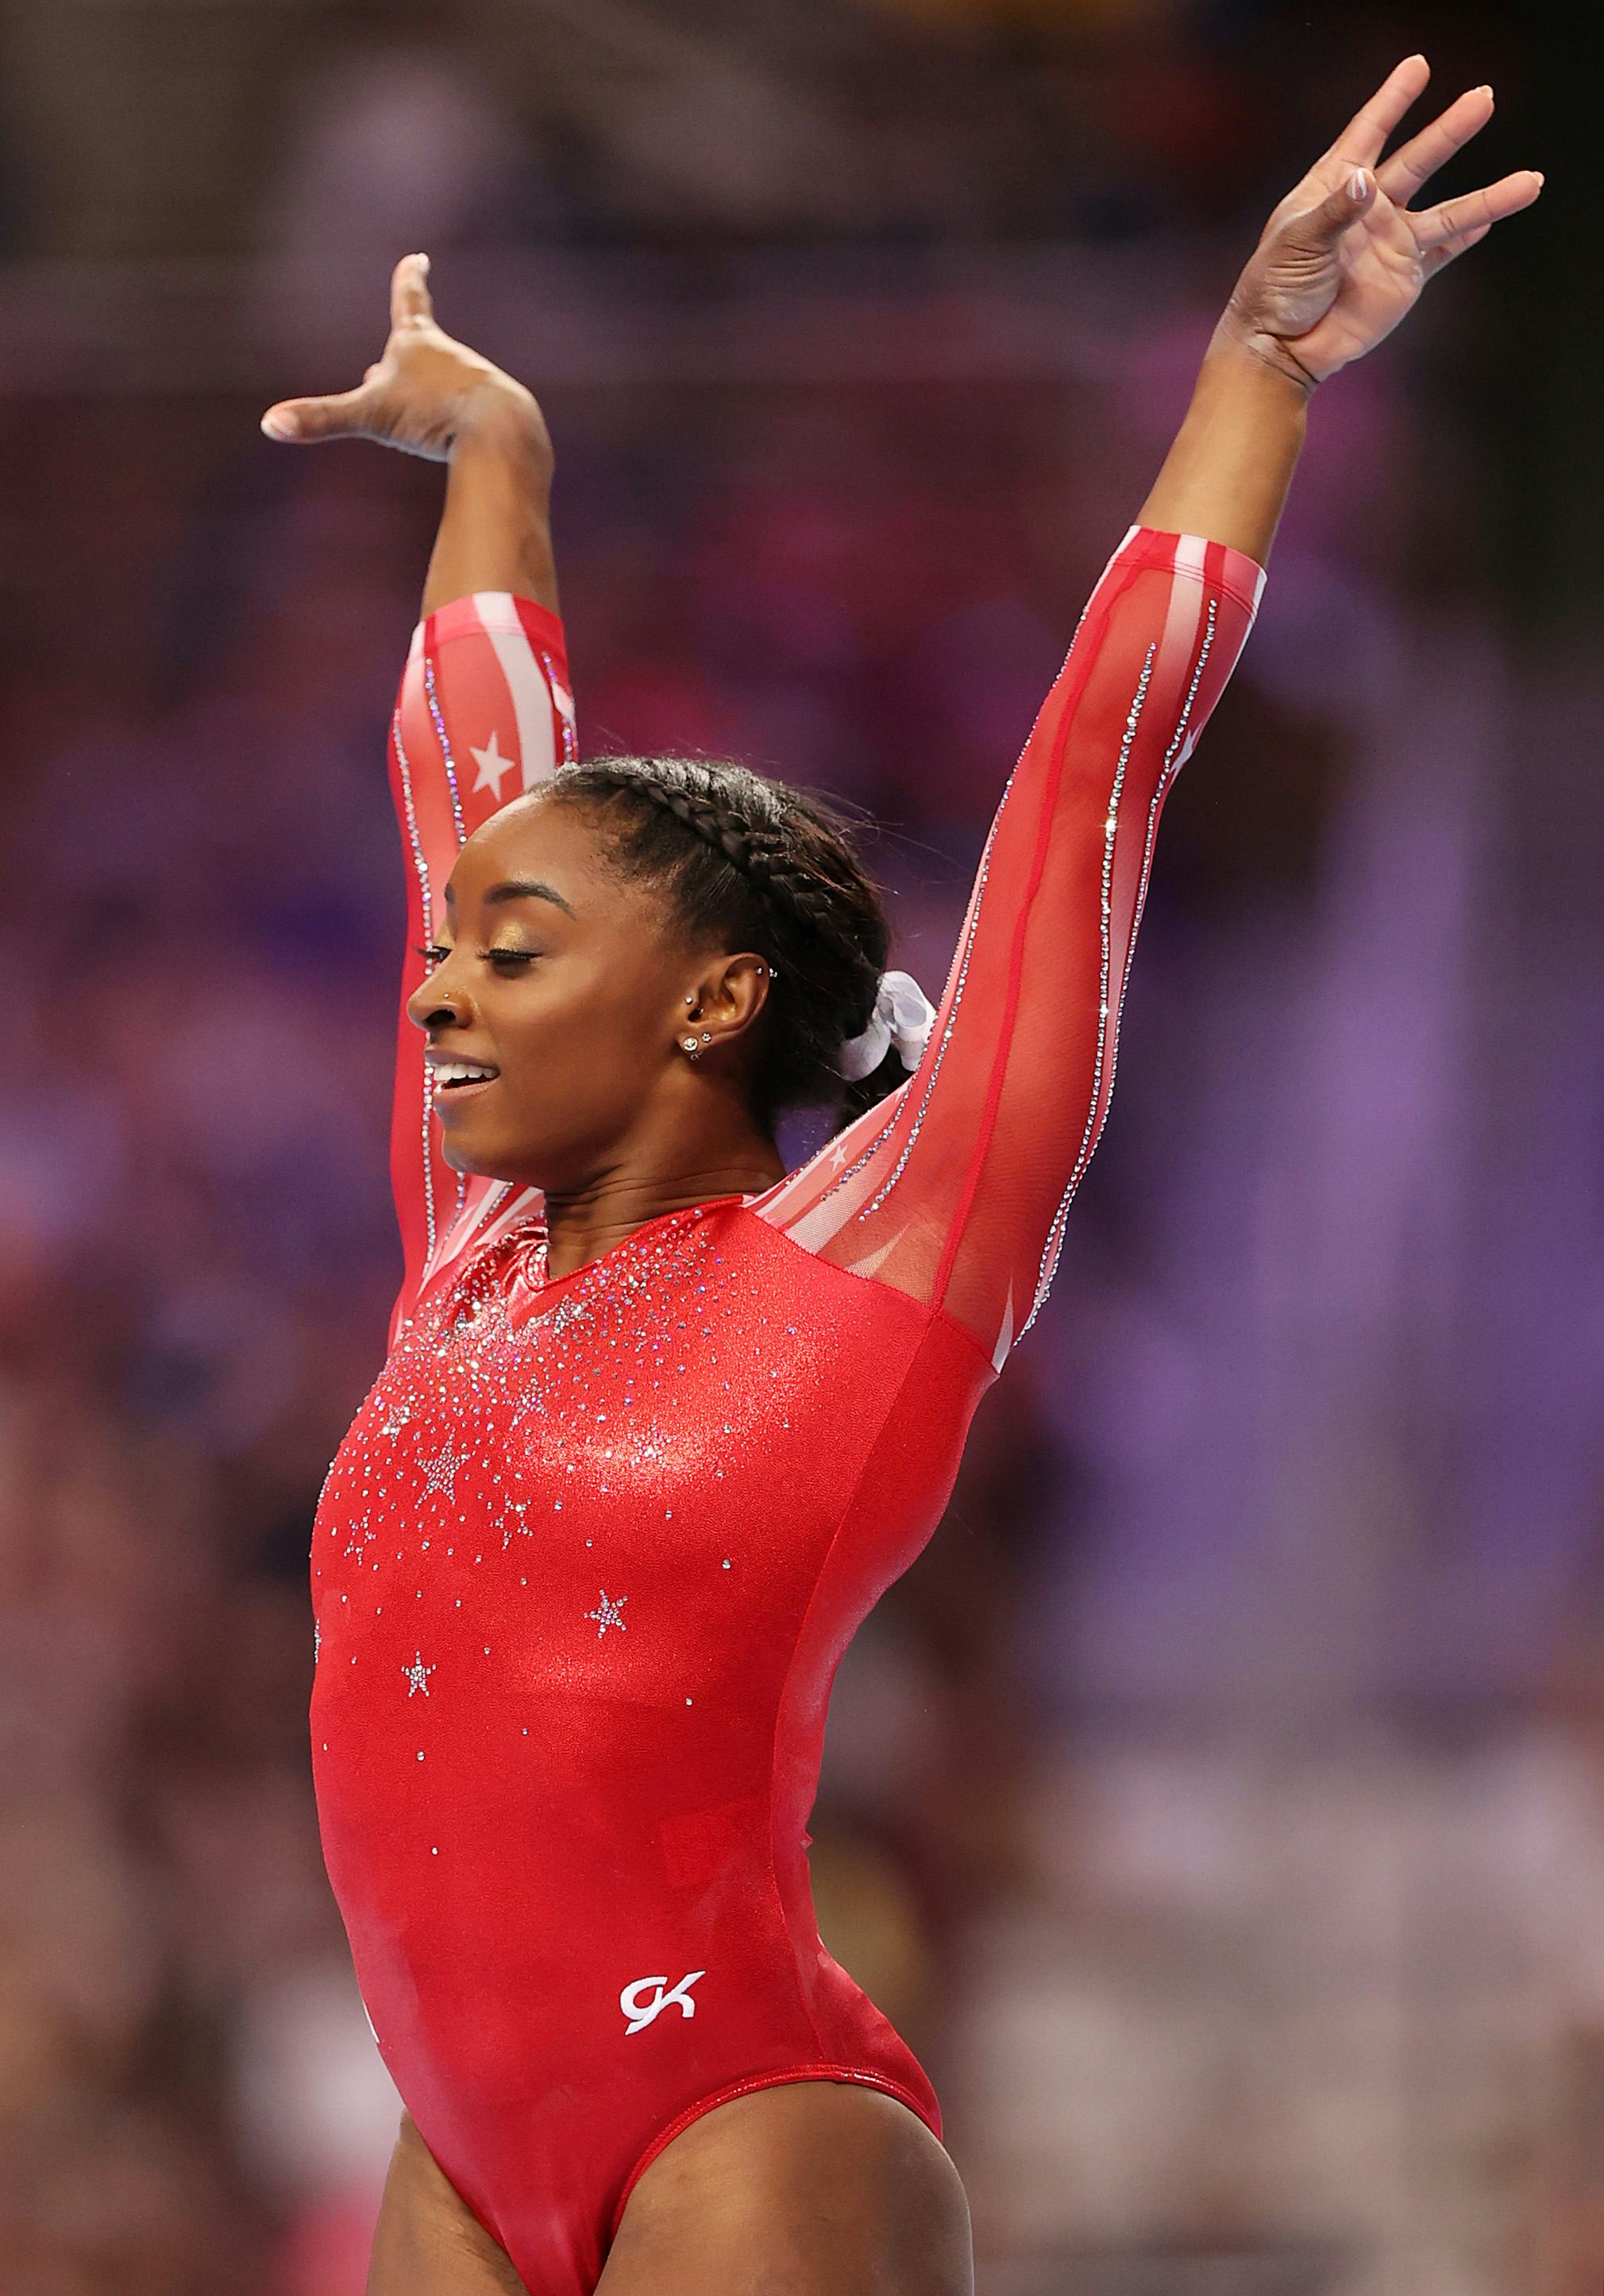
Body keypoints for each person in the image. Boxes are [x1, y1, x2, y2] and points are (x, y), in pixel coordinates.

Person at [261, 54, 1538, 2296]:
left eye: (517, 948)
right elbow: (461, 763)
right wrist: (500, 455)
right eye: (448, 951)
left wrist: (1250, 372)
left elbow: (1095, 782)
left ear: (710, 1003)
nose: (440, 988)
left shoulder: (879, 1259)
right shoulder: (461, 1260)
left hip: (737, 2120)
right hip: (455, 2150)